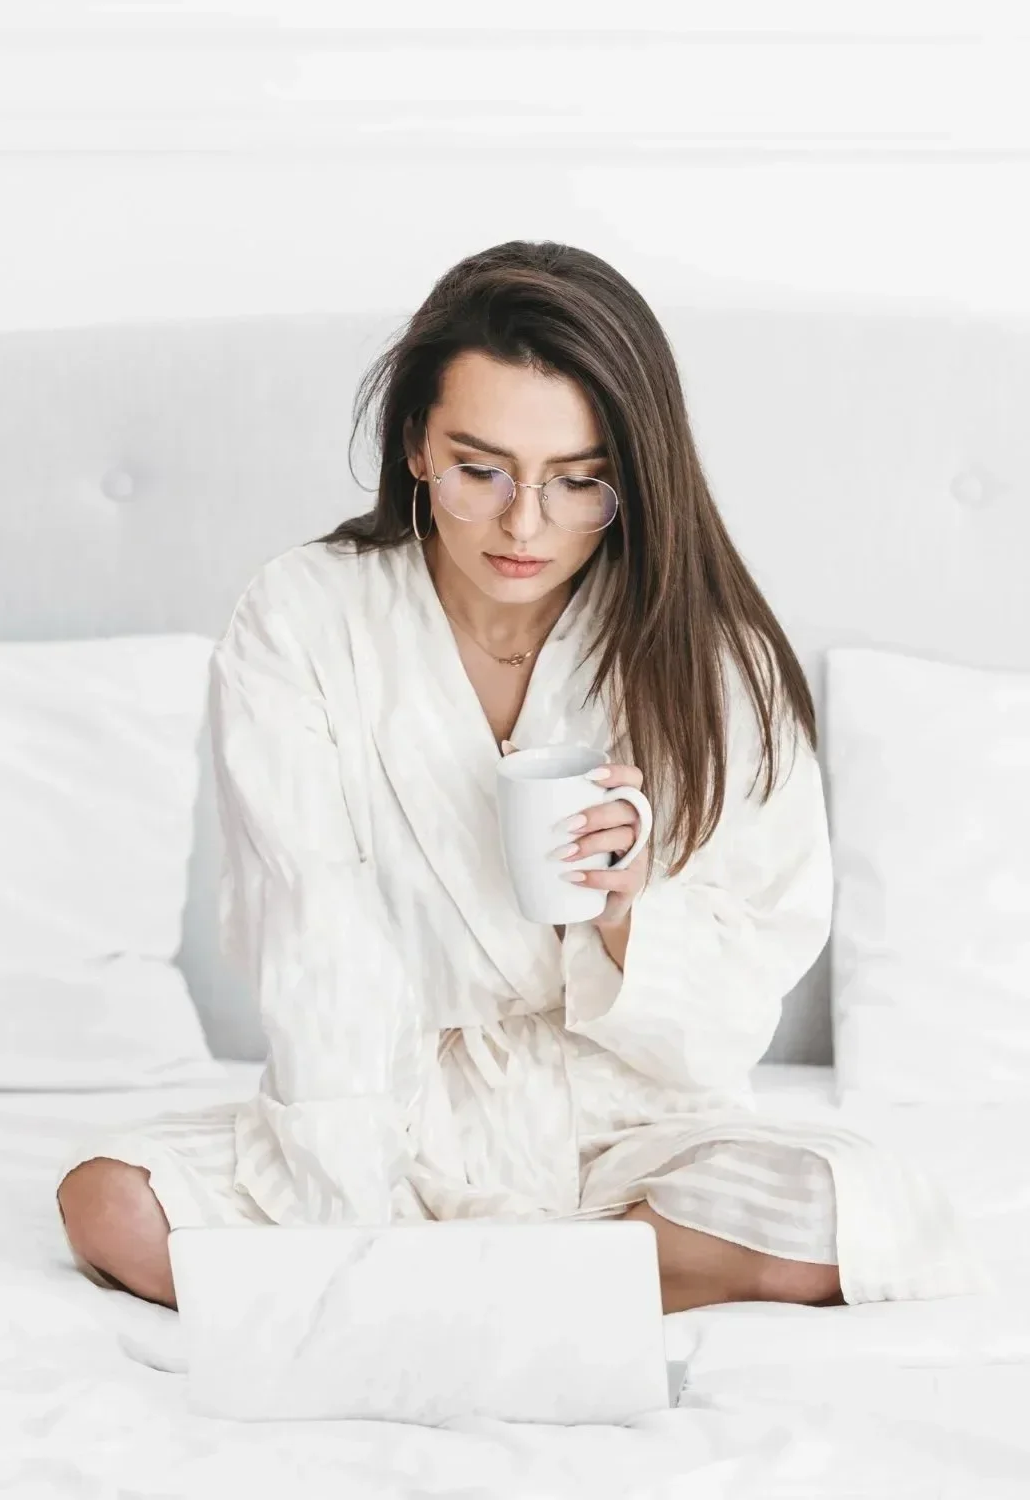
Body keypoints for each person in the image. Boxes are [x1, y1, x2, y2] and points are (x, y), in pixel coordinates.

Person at [55, 240, 977, 1316]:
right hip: (384, 1110)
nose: (524, 525)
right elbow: (315, 933)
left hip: (627, 1127)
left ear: (631, 477)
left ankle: (434, 1305)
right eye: (480, 469)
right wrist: (349, 1210)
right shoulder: (304, 615)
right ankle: (544, 1293)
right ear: (414, 445)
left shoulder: (712, 659)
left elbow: (733, 1011)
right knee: (106, 1204)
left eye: (578, 482)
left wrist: (629, 916)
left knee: (860, 1207)